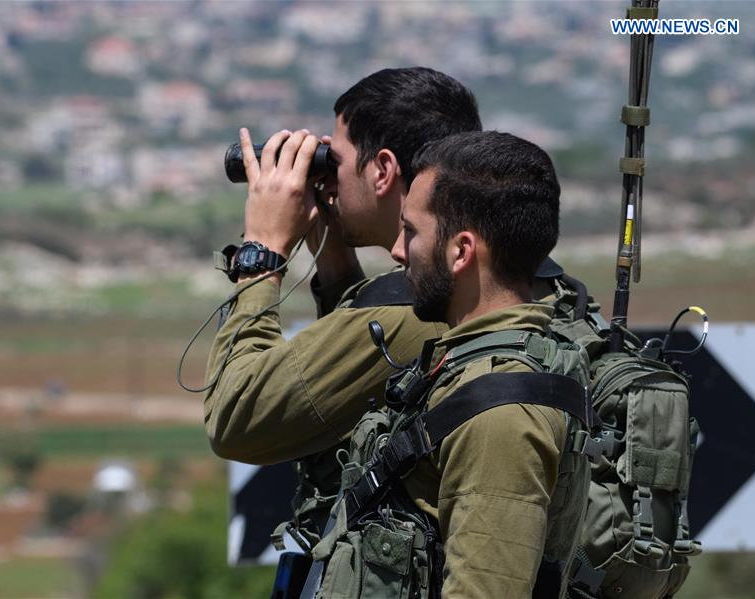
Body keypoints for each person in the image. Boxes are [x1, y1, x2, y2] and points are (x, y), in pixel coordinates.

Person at [203, 67, 483, 465]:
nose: (328, 179)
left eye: (334, 162)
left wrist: (261, 252)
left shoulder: (422, 309)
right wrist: (333, 255)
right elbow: (355, 371)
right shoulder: (481, 273)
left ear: (382, 171)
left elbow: (235, 419)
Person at [379, 130, 591, 597]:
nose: (397, 250)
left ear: (461, 251)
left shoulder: (501, 413)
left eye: (411, 231)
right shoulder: (469, 368)